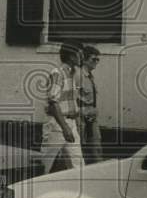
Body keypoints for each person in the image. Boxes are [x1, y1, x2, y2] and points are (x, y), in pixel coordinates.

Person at [41, 42, 84, 173]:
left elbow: (72, 102)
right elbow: (53, 103)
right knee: (45, 166)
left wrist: (75, 124)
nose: (82, 57)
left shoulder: (73, 74)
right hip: (57, 125)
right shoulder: (57, 73)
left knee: (78, 166)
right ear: (71, 56)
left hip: (70, 124)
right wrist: (65, 128)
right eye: (80, 54)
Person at [78, 45, 102, 164]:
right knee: (81, 151)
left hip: (91, 119)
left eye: (98, 59)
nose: (96, 62)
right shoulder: (78, 76)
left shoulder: (90, 77)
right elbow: (72, 99)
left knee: (96, 148)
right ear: (84, 60)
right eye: (93, 59)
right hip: (81, 120)